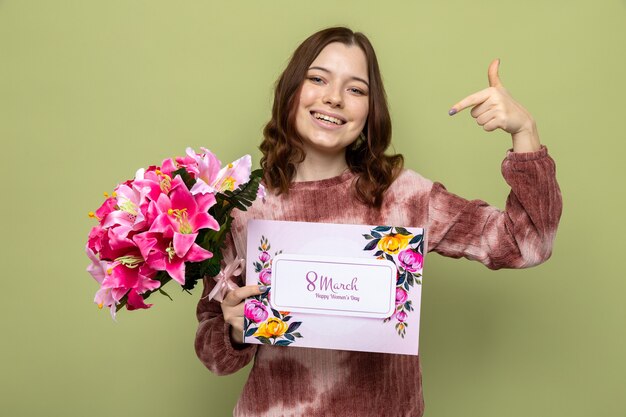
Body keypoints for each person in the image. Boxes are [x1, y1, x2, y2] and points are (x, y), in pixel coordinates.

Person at [194, 27, 562, 417]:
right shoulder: (241, 208)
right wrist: (235, 328)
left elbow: (527, 244)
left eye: (355, 89)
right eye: (317, 79)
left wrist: (526, 133)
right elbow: (216, 358)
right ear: (290, 90)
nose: (334, 98)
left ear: (371, 110)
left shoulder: (405, 196)